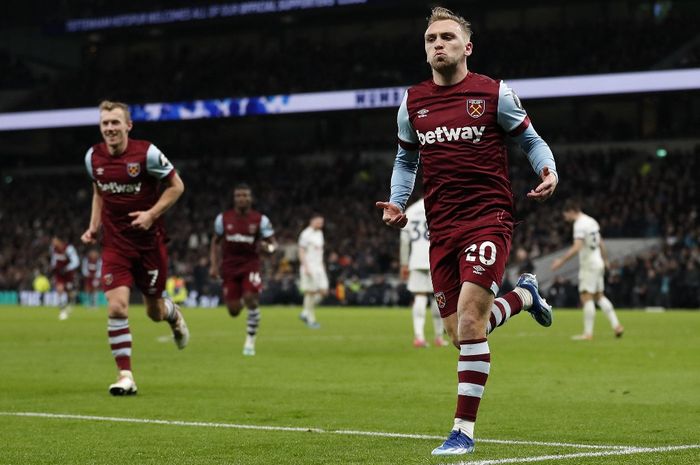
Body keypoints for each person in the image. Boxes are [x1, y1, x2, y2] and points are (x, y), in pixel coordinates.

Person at [375, 7, 558, 456]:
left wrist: (547, 168)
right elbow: (405, 160)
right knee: (460, 335)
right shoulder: (412, 102)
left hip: (488, 217)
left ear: (467, 47)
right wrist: (399, 201)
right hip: (442, 228)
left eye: (447, 38)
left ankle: (463, 431)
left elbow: (529, 139)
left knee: (473, 322)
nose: (438, 44)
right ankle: (524, 297)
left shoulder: (493, 93)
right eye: (430, 39)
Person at [81, 100, 189, 396]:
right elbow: (98, 191)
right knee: (116, 306)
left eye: (116, 122)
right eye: (105, 123)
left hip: (149, 244)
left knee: (153, 312)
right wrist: (93, 227)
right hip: (115, 244)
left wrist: (151, 214)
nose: (110, 128)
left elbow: (177, 186)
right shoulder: (93, 157)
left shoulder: (147, 153)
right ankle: (125, 375)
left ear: (128, 125)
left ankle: (173, 314)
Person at [210, 184, 277, 356]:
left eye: (245, 195)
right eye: (238, 195)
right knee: (233, 311)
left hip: (250, 265)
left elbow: (273, 245)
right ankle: (243, 300)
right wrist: (213, 265)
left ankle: (250, 341)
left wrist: (266, 248)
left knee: (250, 299)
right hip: (229, 267)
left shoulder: (260, 220)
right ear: (234, 198)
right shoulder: (223, 219)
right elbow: (215, 242)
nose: (242, 198)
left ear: (250, 198)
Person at [551, 200, 624, 340]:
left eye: (565, 214)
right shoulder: (591, 221)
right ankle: (616, 325)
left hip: (589, 264)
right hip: (598, 261)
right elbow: (601, 242)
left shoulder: (579, 225)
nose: (565, 217)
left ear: (571, 211)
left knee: (586, 296)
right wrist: (606, 260)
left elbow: (577, 247)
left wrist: (561, 261)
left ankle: (588, 333)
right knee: (599, 296)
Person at [400, 198, 447, 348]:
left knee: (419, 296)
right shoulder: (440, 207)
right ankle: (439, 337)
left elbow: (404, 241)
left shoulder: (411, 211)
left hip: (417, 259)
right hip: (437, 258)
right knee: (438, 297)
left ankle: (419, 337)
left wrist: (404, 264)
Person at [298, 213, 328, 329]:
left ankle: (305, 312)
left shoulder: (320, 233)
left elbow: (320, 252)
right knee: (311, 293)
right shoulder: (306, 234)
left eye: (322, 223)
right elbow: (301, 251)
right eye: (319, 222)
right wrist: (305, 267)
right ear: (312, 221)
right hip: (309, 266)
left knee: (324, 291)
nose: (321, 224)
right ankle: (311, 319)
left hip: (319, 267)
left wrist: (322, 266)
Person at [50, 236, 80, 320]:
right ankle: (62, 310)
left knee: (69, 290)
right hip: (59, 272)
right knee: (59, 289)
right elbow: (54, 258)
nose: (53, 243)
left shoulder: (69, 248)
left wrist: (66, 268)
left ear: (60, 241)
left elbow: (76, 261)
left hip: (68, 273)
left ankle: (71, 302)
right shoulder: (53, 248)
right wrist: (53, 267)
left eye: (55, 241)